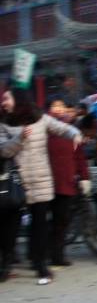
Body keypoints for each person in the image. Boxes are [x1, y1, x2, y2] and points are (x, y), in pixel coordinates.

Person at [1, 88, 82, 285]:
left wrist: (75, 133)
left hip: (41, 180)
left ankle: (40, 265)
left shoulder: (40, 118)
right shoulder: (3, 123)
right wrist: (19, 139)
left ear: (18, 99)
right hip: (16, 183)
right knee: (9, 228)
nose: (3, 102)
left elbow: (61, 128)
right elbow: (3, 151)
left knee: (39, 226)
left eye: (6, 98)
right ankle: (6, 264)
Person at [46, 98, 91, 267]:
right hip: (45, 181)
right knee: (43, 221)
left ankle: (57, 255)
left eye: (61, 105)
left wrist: (85, 177)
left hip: (66, 182)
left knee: (62, 220)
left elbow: (80, 158)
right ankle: (39, 255)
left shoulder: (72, 131)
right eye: (54, 105)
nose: (58, 109)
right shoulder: (43, 129)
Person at [0, 105, 31, 283]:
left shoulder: (5, 126)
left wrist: (20, 137)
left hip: (8, 184)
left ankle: (7, 263)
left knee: (10, 226)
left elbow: (4, 150)